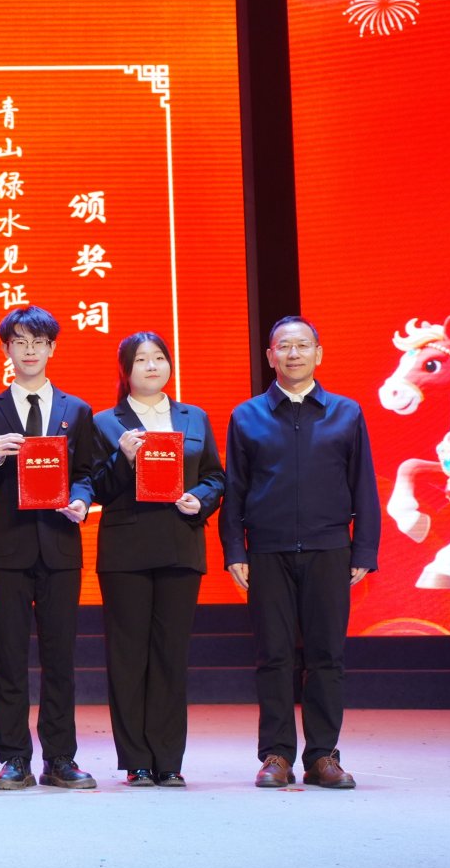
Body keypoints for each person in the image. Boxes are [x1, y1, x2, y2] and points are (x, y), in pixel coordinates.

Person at [220, 316, 379, 789]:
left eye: (303, 346)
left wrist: (364, 548)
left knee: (327, 655)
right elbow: (235, 489)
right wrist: (235, 549)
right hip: (267, 550)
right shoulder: (246, 416)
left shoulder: (346, 413)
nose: (293, 354)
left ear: (318, 354)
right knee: (273, 655)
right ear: (270, 356)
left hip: (330, 548)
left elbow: (363, 485)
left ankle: (323, 756)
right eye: (284, 347)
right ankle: (276, 755)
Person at [0, 305, 98, 791]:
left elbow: (86, 474)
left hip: (61, 547)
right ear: (6, 349)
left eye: (38, 342)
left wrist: (81, 501)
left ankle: (60, 757)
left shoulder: (76, 410)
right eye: (20, 342)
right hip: (9, 550)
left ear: (52, 348)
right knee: (9, 658)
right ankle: (14, 758)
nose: (29, 351)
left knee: (60, 657)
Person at [90, 332, 224, 788]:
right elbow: (95, 488)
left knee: (170, 655)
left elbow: (215, 476)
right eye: (141, 360)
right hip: (125, 550)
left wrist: (200, 498)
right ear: (125, 371)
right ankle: (136, 760)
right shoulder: (105, 422)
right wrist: (122, 458)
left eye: (159, 358)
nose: (151, 366)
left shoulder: (193, 417)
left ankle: (168, 759)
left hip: (180, 545)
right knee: (128, 656)